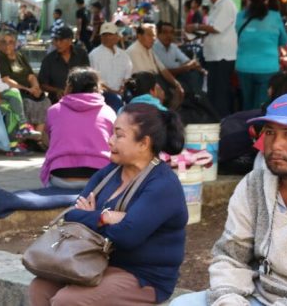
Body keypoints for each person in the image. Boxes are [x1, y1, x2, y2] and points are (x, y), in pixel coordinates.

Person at [30, 103, 188, 305]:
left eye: (119, 135)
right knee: (40, 287)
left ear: (143, 143)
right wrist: (105, 217)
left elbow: (127, 236)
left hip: (144, 276)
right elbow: (72, 216)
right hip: (96, 261)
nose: (110, 140)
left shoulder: (163, 185)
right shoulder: (109, 173)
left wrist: (93, 218)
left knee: (67, 300)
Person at [170, 93, 287, 306]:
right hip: (258, 296)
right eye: (269, 132)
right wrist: (229, 300)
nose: (276, 145)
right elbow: (231, 255)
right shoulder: (253, 185)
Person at [40, 67, 116, 188]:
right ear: (98, 88)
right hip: (99, 179)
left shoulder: (54, 110)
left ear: (69, 87)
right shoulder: (108, 112)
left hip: (60, 177)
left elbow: (46, 141)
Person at [186, 0, 237, 116]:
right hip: (213, 56)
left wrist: (196, 26)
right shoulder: (215, 6)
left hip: (223, 57)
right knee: (213, 93)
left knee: (220, 94)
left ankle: (222, 124)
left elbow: (216, 28)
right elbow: (211, 29)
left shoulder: (226, 4)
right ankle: (215, 121)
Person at [235, 0, 287, 111]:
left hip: (244, 66)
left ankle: (245, 127)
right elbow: (283, 40)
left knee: (247, 104)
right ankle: (257, 128)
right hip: (268, 68)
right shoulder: (275, 17)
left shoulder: (240, 16)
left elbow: (239, 37)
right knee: (261, 106)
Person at [0, 31, 50, 142]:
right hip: (16, 91)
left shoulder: (20, 55)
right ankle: (26, 137)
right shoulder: (0, 57)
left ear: (15, 43)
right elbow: (6, 80)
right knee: (27, 103)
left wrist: (36, 87)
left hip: (28, 90)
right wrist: (27, 89)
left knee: (45, 102)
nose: (7, 45)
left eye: (10, 42)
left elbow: (31, 76)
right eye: (4, 42)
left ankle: (37, 138)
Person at [127, 23, 185, 110]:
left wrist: (177, 84)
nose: (153, 38)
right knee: (167, 94)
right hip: (142, 85)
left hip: (154, 81)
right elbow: (144, 76)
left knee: (179, 89)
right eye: (150, 35)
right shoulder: (133, 51)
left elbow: (163, 69)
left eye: (154, 35)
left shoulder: (149, 49)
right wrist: (159, 89)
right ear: (139, 36)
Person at [38, 26, 90, 104]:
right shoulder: (48, 59)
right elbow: (42, 84)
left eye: (61, 40)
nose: (58, 43)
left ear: (70, 40)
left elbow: (88, 76)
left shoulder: (81, 54)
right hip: (57, 102)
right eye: (55, 40)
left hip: (80, 100)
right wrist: (56, 90)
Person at [89, 22, 133, 112]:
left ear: (117, 36)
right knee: (117, 103)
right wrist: (114, 92)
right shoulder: (94, 55)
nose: (107, 37)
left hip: (123, 90)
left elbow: (128, 76)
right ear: (100, 37)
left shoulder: (123, 55)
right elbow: (96, 80)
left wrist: (122, 88)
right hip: (103, 92)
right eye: (104, 35)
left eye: (110, 34)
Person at [153, 21, 203, 95]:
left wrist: (194, 65)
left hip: (177, 77)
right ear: (158, 34)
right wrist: (185, 67)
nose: (169, 35)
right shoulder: (153, 48)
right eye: (165, 32)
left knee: (194, 72)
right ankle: (196, 97)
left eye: (171, 32)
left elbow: (187, 61)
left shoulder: (173, 47)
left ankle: (197, 96)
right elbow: (164, 71)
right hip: (161, 80)